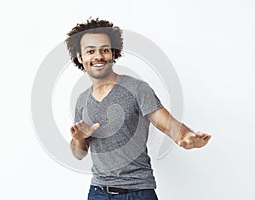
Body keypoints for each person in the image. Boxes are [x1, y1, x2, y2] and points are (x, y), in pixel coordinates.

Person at [65, 18, 211, 200]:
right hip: (98, 192)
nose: (98, 56)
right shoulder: (82, 100)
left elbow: (169, 125)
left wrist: (185, 136)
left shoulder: (136, 89)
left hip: (137, 193)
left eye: (104, 50)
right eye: (90, 51)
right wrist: (79, 138)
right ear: (80, 57)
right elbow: (79, 153)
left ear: (113, 53)